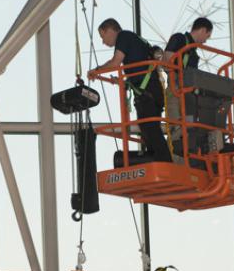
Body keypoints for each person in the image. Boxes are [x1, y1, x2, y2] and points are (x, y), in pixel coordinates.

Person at [87, 18, 171, 162]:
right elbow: (139, 71)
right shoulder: (134, 40)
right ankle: (157, 161)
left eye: (103, 36)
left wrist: (96, 71)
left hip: (148, 91)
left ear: (110, 30)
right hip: (149, 89)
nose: (103, 41)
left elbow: (115, 62)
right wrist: (122, 81)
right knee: (148, 129)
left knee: (150, 128)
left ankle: (165, 162)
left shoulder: (124, 36)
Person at [162, 17, 216, 155]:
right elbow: (168, 59)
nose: (205, 41)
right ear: (203, 30)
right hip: (176, 88)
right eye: (207, 36)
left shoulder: (193, 53)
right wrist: (176, 79)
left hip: (188, 93)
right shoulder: (179, 39)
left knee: (189, 126)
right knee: (176, 124)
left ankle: (188, 154)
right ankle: (176, 157)